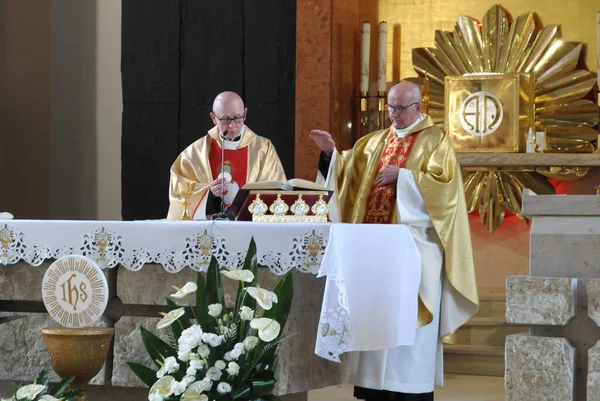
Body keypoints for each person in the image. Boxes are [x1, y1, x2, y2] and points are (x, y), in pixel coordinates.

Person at [310, 80, 478, 400]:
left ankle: (409, 389)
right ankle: (374, 388)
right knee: (376, 321)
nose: (394, 114)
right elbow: (347, 176)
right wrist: (331, 154)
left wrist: (404, 177)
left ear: (419, 107)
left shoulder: (436, 140)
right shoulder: (374, 142)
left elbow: (448, 192)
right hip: (376, 251)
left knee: (410, 330)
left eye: (400, 108)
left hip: (415, 248)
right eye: (390, 107)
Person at [167, 91, 286, 220]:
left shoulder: (263, 149)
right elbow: (178, 193)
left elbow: (277, 190)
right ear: (213, 118)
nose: (232, 125)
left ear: (245, 114)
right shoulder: (195, 153)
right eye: (225, 119)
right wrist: (209, 194)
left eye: (237, 118)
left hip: (250, 226)